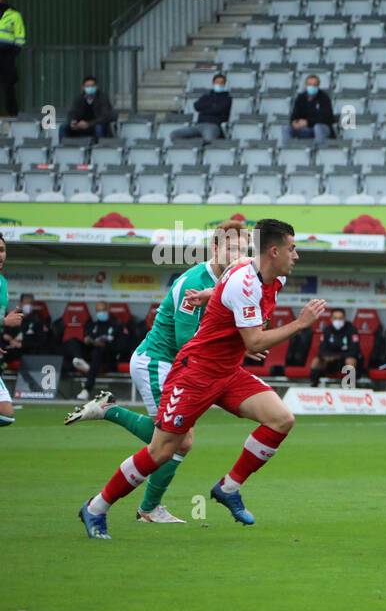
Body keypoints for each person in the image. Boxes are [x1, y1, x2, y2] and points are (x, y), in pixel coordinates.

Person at [77, 219, 326, 540]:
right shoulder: (246, 284)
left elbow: (229, 282)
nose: (297, 255)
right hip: (195, 374)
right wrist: (300, 323)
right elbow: (254, 343)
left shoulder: (264, 273)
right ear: (274, 251)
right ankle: (96, 507)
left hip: (227, 373)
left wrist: (210, 294)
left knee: (281, 419)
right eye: (292, 248)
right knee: (161, 451)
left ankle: (229, 487)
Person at [64, 219, 251, 523]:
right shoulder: (194, 282)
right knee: (177, 440)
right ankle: (112, 417)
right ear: (215, 248)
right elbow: (185, 340)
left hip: (183, 366)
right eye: (231, 247)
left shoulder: (232, 282)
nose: (238, 255)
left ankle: (149, 507)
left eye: (243, 250)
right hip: (158, 362)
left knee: (177, 441)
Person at [66, 300, 127, 401]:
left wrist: (105, 345)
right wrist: (88, 340)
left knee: (97, 351)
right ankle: (80, 360)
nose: (100, 313)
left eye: (103, 310)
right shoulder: (93, 325)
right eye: (98, 311)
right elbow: (88, 338)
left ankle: (86, 389)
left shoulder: (117, 325)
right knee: (72, 341)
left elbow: (121, 346)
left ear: (108, 310)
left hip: (108, 357)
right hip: (92, 354)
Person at [171, 73, 232, 143]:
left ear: (224, 84)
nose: (219, 84)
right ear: (213, 83)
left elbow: (219, 109)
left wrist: (205, 108)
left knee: (209, 140)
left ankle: (198, 145)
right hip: (199, 125)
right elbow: (196, 106)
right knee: (174, 134)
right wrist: (212, 106)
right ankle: (192, 145)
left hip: (214, 126)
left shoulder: (227, 98)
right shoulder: (206, 96)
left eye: (222, 83)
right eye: (217, 82)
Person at [311, 307, 361, 386]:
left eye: (340, 318)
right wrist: (326, 356)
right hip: (330, 361)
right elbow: (321, 349)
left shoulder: (351, 329)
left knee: (350, 361)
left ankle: (350, 387)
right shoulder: (327, 330)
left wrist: (338, 356)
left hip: (344, 360)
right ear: (331, 319)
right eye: (335, 318)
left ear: (344, 319)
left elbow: (355, 351)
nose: (338, 321)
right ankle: (314, 386)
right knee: (316, 361)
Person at [280, 75, 335, 146]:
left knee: (317, 127)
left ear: (318, 86)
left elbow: (327, 118)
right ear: (306, 85)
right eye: (310, 84)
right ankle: (287, 151)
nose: (312, 87)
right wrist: (294, 122)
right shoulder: (300, 98)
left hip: (322, 128)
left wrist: (307, 122)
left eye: (315, 85)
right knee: (286, 128)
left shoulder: (324, 98)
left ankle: (319, 152)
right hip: (305, 129)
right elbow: (294, 115)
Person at [59, 76, 117, 143]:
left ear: (96, 87)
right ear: (83, 87)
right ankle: (63, 148)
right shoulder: (79, 98)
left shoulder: (102, 98)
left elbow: (105, 117)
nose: (90, 88)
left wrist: (88, 124)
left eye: (92, 86)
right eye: (88, 86)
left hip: (95, 125)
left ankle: (98, 150)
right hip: (80, 126)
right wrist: (73, 122)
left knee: (99, 128)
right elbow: (72, 113)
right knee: (63, 127)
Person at [0, 235, 18, 425]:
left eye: (2, 250)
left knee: (6, 415)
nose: (0, 255)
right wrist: (5, 320)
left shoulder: (2, 283)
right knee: (5, 413)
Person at [1, 293, 51, 360]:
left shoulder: (37, 320)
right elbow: (5, 333)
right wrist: (7, 337)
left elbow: (40, 341)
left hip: (29, 351)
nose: (27, 305)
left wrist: (22, 344)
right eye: (25, 303)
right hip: (11, 349)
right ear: (20, 304)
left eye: (30, 303)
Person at [0, 0, 26, 118]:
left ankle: (12, 113)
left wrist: (16, 50)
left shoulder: (15, 15)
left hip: (7, 54)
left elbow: (19, 34)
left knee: (9, 84)